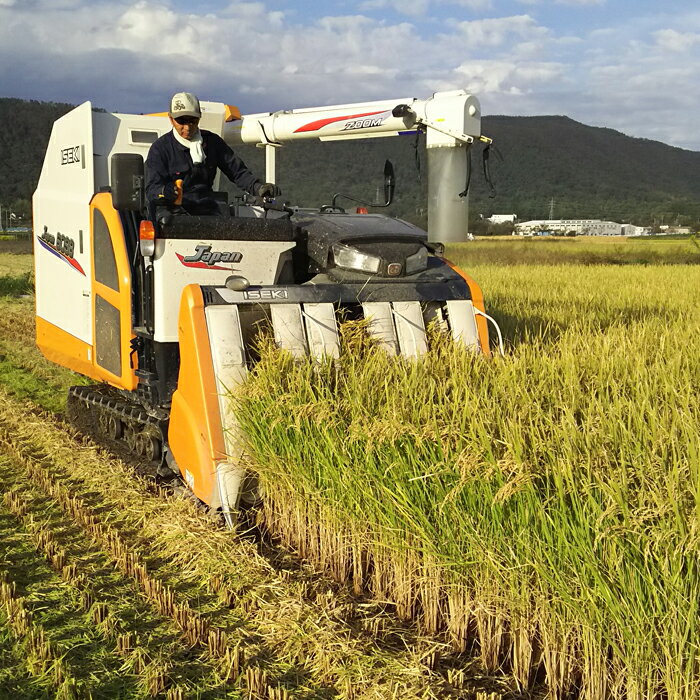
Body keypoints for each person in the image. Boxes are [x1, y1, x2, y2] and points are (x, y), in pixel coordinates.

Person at [145, 92, 279, 217]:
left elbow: (237, 172)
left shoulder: (213, 142)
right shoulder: (160, 149)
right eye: (181, 121)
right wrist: (165, 191)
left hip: (206, 210)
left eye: (192, 120)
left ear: (199, 118)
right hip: (172, 214)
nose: (187, 127)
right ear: (171, 119)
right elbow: (152, 189)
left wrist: (259, 188)